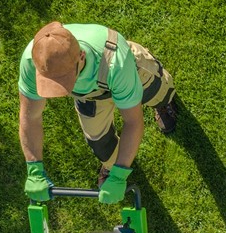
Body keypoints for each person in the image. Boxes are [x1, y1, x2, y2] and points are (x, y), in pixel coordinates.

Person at [18, 21, 179, 204]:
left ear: (81, 57)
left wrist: (120, 176)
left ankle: (164, 103)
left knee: (158, 92)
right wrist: (34, 168)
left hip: (127, 70)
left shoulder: (116, 62)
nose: (59, 90)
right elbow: (29, 116)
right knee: (98, 140)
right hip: (89, 95)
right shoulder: (34, 61)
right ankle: (111, 166)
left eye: (64, 80)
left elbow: (133, 121)